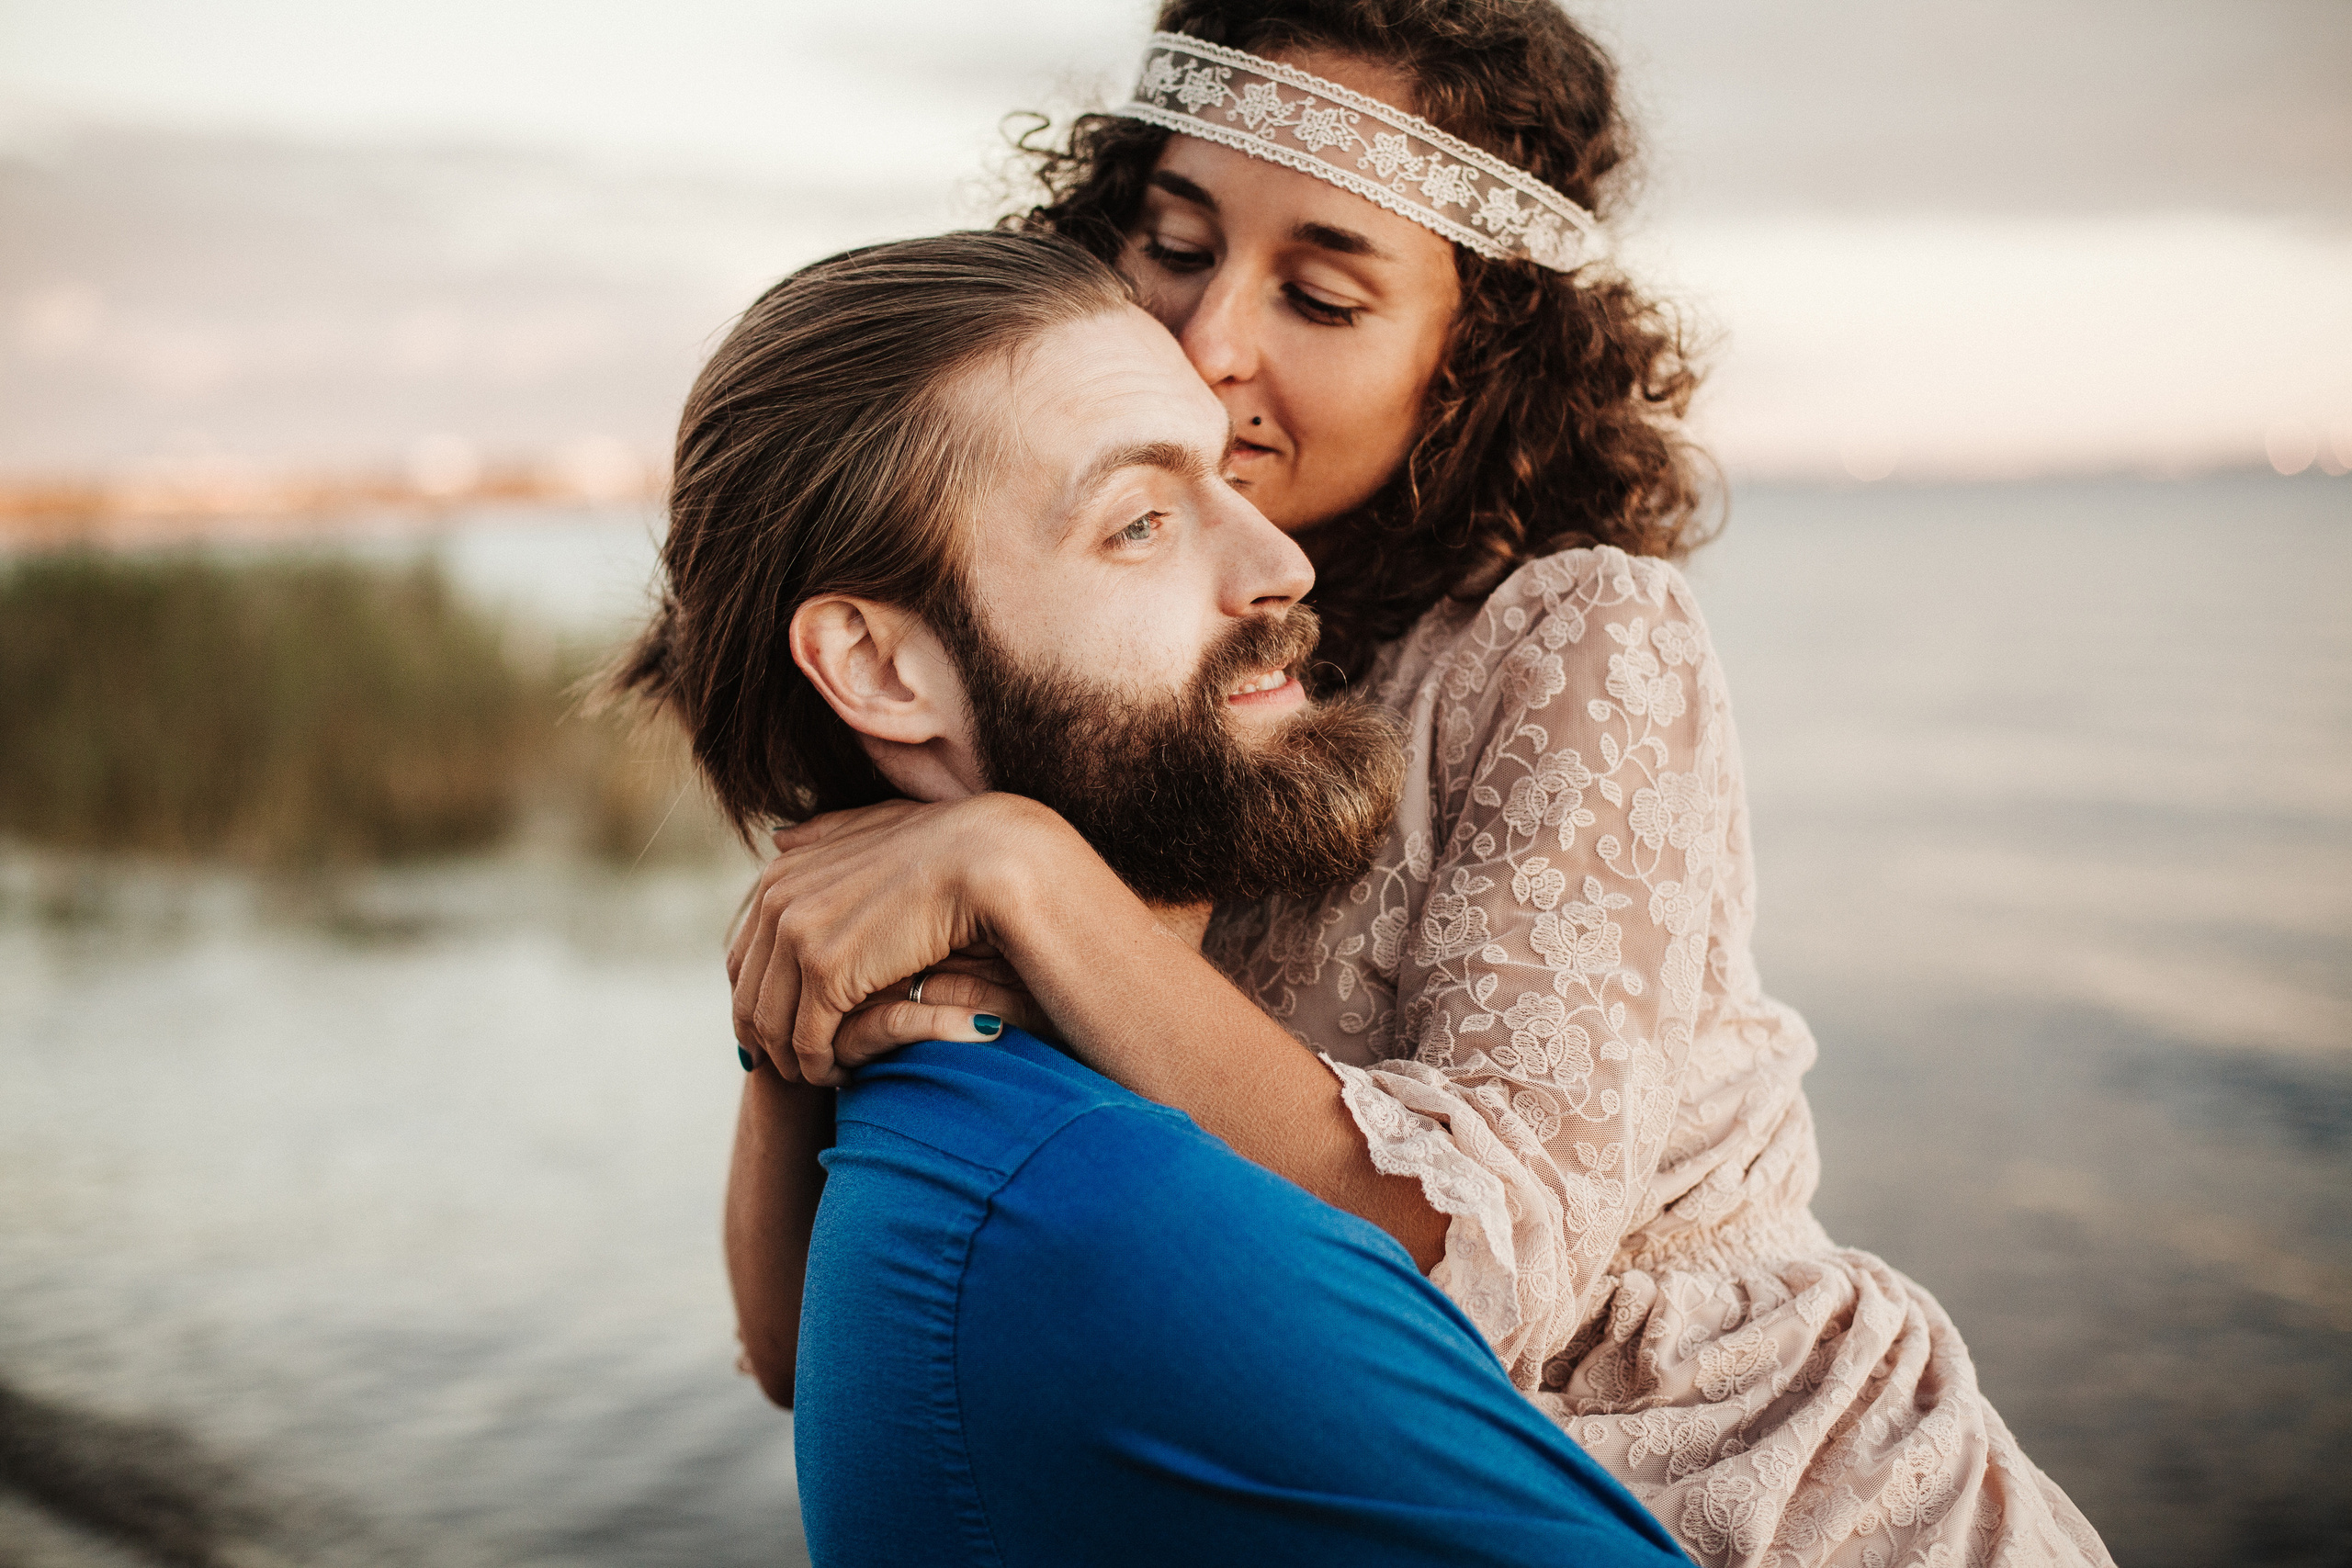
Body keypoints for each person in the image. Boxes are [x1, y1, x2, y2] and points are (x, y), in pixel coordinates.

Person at [719, 4, 2115, 1566]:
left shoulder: (1576, 637)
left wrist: (1018, 872)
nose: (1206, 341)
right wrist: (798, 1007)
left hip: (1766, 1483)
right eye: (1171, 243)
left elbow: (1483, 1272)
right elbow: (798, 1352)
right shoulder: (1098, 685)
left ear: (1473, 354)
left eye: (1320, 293)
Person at [618, 230, 1690, 1566]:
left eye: (1226, 475)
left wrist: (997, 867)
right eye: (1140, 522)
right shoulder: (1118, 1220)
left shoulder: (956, 1130)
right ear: (880, 669)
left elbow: (784, 1353)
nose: (1284, 568)